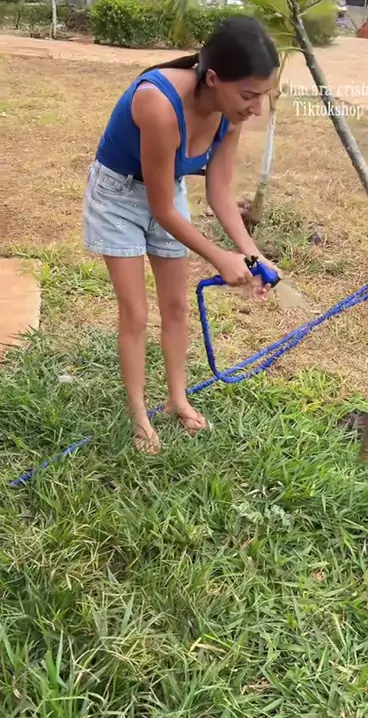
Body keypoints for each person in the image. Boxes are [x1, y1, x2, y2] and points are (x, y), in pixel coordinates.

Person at [83, 15, 280, 452]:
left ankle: (177, 399)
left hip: (165, 191)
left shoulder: (230, 114)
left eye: (263, 96)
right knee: (136, 313)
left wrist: (250, 255)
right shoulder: (158, 102)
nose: (256, 108)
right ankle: (139, 416)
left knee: (176, 307)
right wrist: (219, 256)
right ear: (213, 78)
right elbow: (160, 209)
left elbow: (220, 193)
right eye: (249, 95)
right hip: (118, 194)